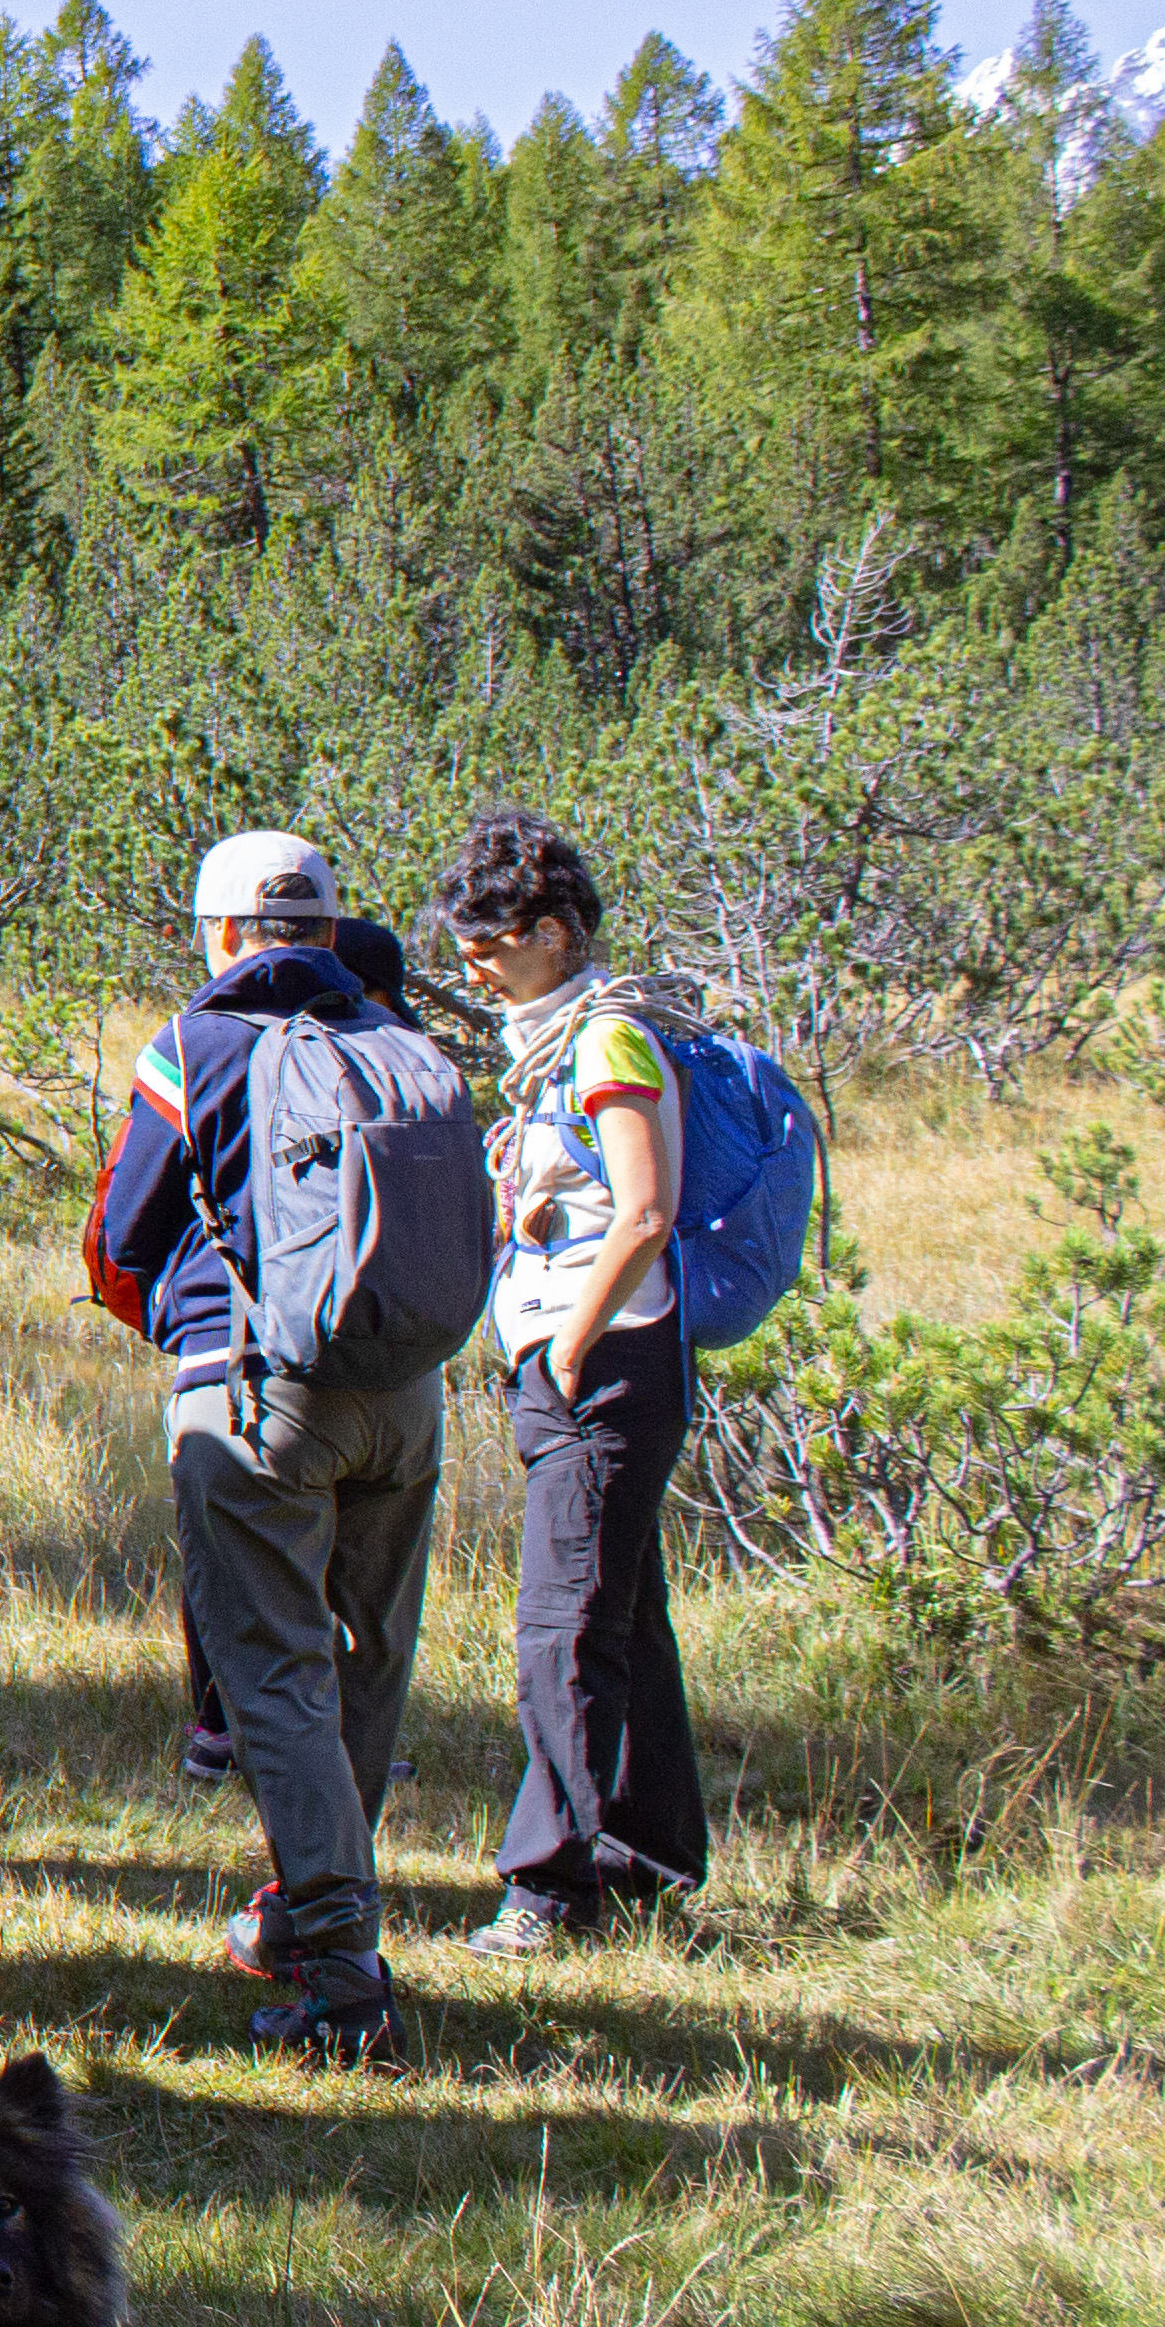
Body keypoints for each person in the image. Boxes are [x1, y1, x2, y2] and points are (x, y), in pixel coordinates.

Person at [94, 829, 443, 2068]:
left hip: (255, 1397)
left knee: (276, 1678)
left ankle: (344, 1981)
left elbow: (121, 1233)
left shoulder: (192, 1047)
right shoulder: (401, 1043)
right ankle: (311, 1909)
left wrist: (182, 1329)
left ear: (224, 933)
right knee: (369, 1660)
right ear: (331, 931)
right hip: (408, 1398)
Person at [439, 809, 711, 1956]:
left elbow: (646, 1212)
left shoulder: (609, 1044)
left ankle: (547, 1890)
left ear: (553, 933)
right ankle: (647, 1860)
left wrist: (566, 1346)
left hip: (604, 1368)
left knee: (561, 1629)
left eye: (490, 946)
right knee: (622, 1614)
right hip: (579, 1363)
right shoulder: (556, 1052)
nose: (473, 967)